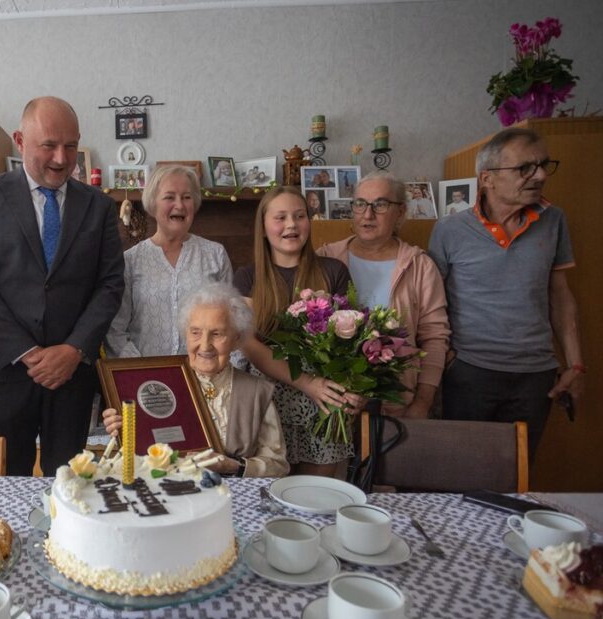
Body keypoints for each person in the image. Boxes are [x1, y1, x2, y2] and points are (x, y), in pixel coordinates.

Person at [0, 97, 124, 477]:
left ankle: (61, 540)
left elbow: (111, 283)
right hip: (8, 370)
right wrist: (28, 353)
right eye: (49, 145)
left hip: (73, 372)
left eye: (71, 145)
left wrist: (73, 349)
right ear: (20, 140)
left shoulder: (99, 206)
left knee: (68, 479)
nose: (62, 158)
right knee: (6, 476)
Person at [429, 127, 584, 459]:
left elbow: (560, 296)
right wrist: (447, 359)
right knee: (461, 470)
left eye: (543, 164)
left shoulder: (553, 220)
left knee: (517, 471)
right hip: (470, 371)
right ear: (487, 179)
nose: (540, 175)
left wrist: (575, 364)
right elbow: (432, 301)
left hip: (536, 374)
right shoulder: (449, 230)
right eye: (525, 168)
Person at [103, 283, 288, 477]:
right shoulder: (158, 385)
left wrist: (233, 466)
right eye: (195, 332)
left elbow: (278, 465)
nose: (205, 345)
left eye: (217, 334)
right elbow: (139, 457)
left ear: (236, 339)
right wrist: (123, 429)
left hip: (231, 498)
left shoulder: (257, 391)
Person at [237, 187, 354, 477]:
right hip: (267, 404)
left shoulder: (333, 271)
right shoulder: (247, 277)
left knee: (318, 498)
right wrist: (306, 382)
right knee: (270, 495)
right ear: (264, 227)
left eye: (299, 216)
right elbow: (248, 345)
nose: (291, 224)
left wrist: (346, 391)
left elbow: (349, 340)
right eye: (281, 217)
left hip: (321, 401)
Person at [317, 172, 450, 418]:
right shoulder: (326, 258)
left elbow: (435, 338)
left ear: (400, 212)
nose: (368, 214)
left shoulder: (419, 266)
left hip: (397, 405)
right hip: (336, 405)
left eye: (380, 204)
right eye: (360, 204)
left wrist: (422, 403)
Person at [106, 165, 232, 357]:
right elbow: (116, 331)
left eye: (187, 197)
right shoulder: (131, 261)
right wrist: (141, 372)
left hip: (205, 376)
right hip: (147, 379)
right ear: (153, 203)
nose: (179, 205)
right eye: (169, 197)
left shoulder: (215, 255)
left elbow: (231, 322)